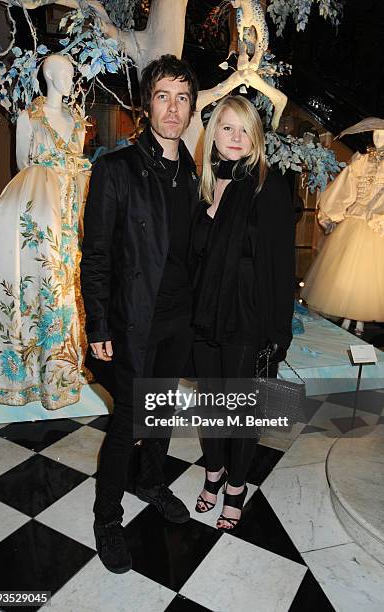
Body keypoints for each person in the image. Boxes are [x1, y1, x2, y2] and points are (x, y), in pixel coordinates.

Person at [80, 54, 199, 573]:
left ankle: (151, 482)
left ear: (192, 108)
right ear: (146, 106)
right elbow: (98, 254)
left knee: (164, 410)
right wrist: (99, 324)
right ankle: (107, 519)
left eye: (182, 97)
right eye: (162, 96)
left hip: (178, 318)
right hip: (133, 320)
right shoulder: (116, 168)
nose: (172, 108)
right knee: (128, 420)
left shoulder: (194, 171)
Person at [189, 95, 295, 530]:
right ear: (214, 134)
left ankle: (236, 486)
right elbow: (191, 253)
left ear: (256, 136)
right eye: (226, 128)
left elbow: (282, 265)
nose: (235, 138)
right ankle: (213, 472)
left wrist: (278, 330)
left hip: (247, 313)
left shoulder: (268, 186)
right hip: (205, 310)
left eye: (243, 129)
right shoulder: (205, 183)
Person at [0, 55, 91, 410]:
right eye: (63, 72)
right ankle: (24, 376)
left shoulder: (77, 122)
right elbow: (22, 166)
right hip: (37, 217)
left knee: (64, 287)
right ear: (48, 75)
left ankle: (62, 373)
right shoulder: (29, 118)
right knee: (34, 287)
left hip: (69, 213)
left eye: (71, 73)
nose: (69, 78)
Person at [301, 118, 384, 335]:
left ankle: (359, 320)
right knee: (345, 272)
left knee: (367, 276)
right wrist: (334, 211)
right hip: (354, 219)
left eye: (381, 134)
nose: (377, 138)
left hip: (374, 222)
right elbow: (345, 187)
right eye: (375, 134)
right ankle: (348, 319)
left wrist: (376, 212)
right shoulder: (361, 159)